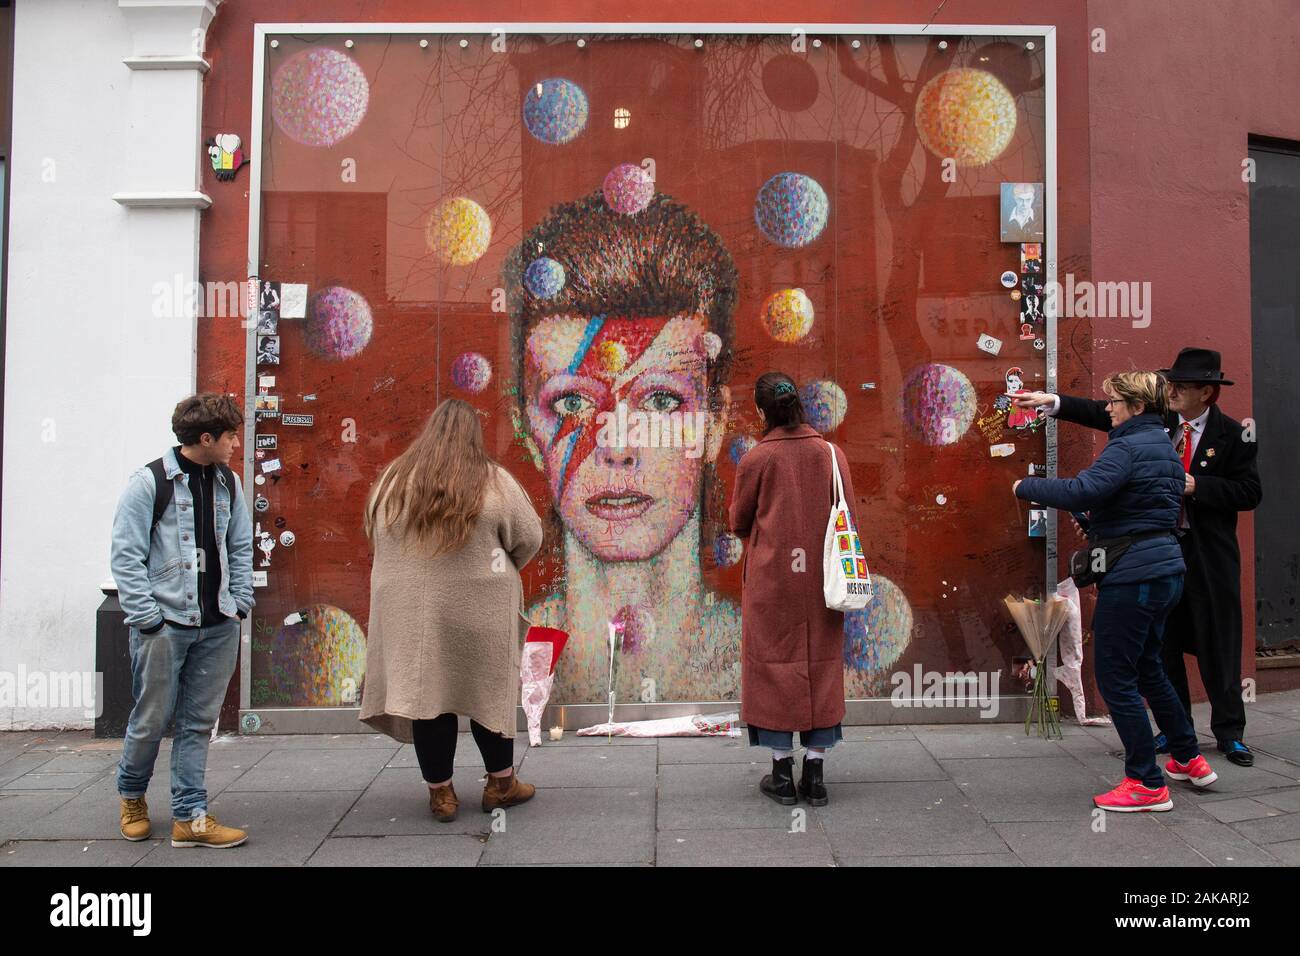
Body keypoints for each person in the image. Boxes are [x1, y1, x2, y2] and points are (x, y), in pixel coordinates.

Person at [503, 190, 741, 705]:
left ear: (715, 421)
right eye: (571, 405)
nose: (615, 447)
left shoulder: (765, 664)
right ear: (526, 430)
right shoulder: (504, 665)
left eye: (659, 399)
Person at [1012, 348, 1262, 765]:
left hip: (1204, 556)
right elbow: (1104, 411)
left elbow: (1249, 493)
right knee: (1161, 648)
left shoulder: (1234, 435)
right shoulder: (1157, 423)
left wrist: (1196, 486)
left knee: (1217, 643)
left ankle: (1228, 733)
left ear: (1207, 393)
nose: (1174, 391)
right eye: (1171, 385)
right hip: (1157, 551)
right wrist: (1052, 403)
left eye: (1182, 386)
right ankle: (1177, 734)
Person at [360, 399, 544, 822]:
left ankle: (441, 796)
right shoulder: (493, 481)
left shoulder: (393, 479)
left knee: (430, 699)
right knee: (488, 695)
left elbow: (375, 534)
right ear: (473, 437)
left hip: (412, 613)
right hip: (481, 609)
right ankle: (500, 785)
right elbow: (529, 536)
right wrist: (494, 562)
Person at [110, 393, 253, 847]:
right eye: (231, 435)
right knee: (151, 719)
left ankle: (189, 817)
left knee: (196, 723)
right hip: (164, 625)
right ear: (206, 438)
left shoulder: (229, 481)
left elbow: (241, 544)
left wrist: (240, 601)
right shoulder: (149, 483)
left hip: (218, 623)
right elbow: (126, 557)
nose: (236, 443)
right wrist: (148, 619)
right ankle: (132, 794)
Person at [728, 372, 858, 807]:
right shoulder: (831, 454)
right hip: (822, 581)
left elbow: (738, 522)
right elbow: (849, 516)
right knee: (821, 665)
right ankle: (816, 775)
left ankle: (782, 774)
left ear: (763, 411)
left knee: (771, 666)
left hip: (772, 581)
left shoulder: (755, 460)